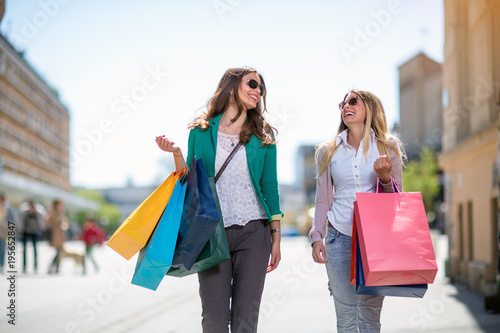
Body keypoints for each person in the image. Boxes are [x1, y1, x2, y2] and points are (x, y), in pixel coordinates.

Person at [156, 66, 283, 332]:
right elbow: (190, 180)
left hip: (254, 232)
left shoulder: (264, 135)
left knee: (246, 319)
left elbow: (269, 186)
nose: (257, 91)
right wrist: (177, 153)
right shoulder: (200, 132)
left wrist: (276, 237)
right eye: (251, 84)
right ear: (231, 85)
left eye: (261, 88)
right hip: (212, 233)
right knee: (213, 318)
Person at [309, 89, 405, 332]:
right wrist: (317, 236)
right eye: (342, 103)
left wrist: (384, 177)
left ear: (369, 108)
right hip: (338, 237)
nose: (345, 106)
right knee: (347, 318)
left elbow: (396, 202)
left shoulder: (387, 146)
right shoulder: (327, 151)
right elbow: (323, 199)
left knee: (370, 318)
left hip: (374, 242)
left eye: (353, 101)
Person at [19, 201, 44, 274]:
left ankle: (35, 266)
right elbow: (21, 222)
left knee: (35, 249)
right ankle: (24, 266)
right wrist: (20, 230)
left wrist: (41, 231)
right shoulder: (25, 213)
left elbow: (41, 223)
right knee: (24, 250)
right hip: (26, 232)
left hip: (34, 232)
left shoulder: (38, 214)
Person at [46, 199, 69, 274]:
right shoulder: (53, 212)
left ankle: (56, 267)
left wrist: (64, 226)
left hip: (60, 234)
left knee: (60, 251)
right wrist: (54, 227)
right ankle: (53, 267)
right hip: (55, 234)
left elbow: (65, 221)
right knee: (58, 251)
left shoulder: (61, 212)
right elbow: (48, 221)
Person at [0, 194, 17, 274]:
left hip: (4, 231)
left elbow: (12, 220)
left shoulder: (8, 208)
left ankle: (1, 265)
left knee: (2, 248)